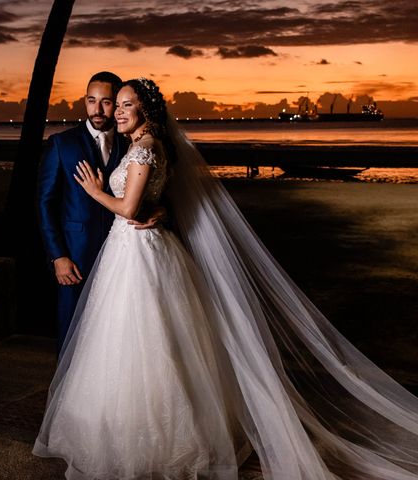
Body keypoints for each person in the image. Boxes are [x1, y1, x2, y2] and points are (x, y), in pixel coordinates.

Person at [33, 78, 418, 479]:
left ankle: (149, 436)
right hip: (113, 251)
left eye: (122, 103)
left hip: (134, 251)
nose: (114, 111)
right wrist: (150, 212)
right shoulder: (103, 145)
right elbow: (92, 200)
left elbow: (132, 204)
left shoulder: (142, 148)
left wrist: (100, 192)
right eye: (110, 104)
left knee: (147, 340)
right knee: (121, 339)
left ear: (142, 109)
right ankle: (114, 425)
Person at [37, 71, 160, 355]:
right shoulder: (62, 144)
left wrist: (160, 209)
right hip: (76, 257)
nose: (98, 109)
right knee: (72, 333)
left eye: (107, 102)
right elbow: (45, 203)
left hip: (123, 256)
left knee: (118, 336)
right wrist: (58, 256)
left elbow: (148, 188)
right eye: (91, 101)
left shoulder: (129, 140)